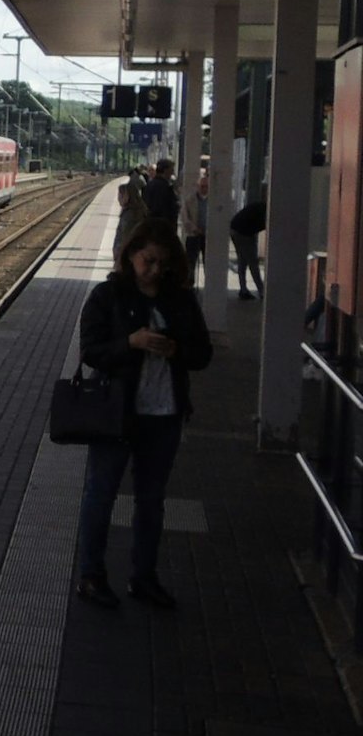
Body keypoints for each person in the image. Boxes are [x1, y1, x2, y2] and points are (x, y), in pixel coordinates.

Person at [75, 219, 213, 609]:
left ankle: (144, 576)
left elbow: (202, 354)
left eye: (162, 264)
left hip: (164, 414)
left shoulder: (181, 300)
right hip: (116, 413)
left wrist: (176, 351)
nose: (155, 270)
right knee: (100, 494)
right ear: (130, 256)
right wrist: (131, 343)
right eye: (148, 261)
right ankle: (91, 575)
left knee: (152, 501)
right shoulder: (107, 296)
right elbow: (90, 351)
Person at [229, 197, 265, 300]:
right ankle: (262, 291)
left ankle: (243, 290)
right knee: (252, 262)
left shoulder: (261, 207)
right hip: (243, 232)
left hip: (237, 229)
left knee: (242, 260)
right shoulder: (266, 213)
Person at [179, 171, 208, 273]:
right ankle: (190, 283)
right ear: (197, 186)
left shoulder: (212, 201)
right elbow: (185, 217)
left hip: (208, 236)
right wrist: (194, 228)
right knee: (190, 262)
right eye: (202, 186)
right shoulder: (190, 200)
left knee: (208, 263)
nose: (204, 189)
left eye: (206, 186)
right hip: (193, 235)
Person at [114, 171, 145, 254]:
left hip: (127, 256)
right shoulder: (136, 211)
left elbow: (126, 238)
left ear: (127, 196)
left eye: (120, 195)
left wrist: (120, 257)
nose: (118, 198)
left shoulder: (129, 216)